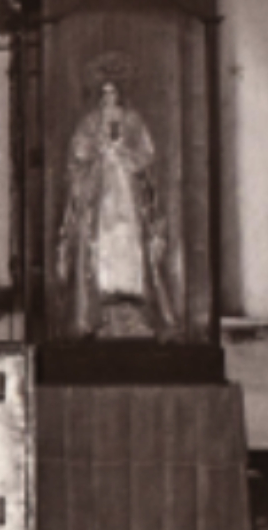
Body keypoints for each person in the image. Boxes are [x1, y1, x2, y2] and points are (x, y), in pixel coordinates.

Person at [53, 63, 180, 339]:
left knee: (130, 241)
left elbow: (146, 154)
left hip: (127, 192)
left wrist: (124, 153)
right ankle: (102, 310)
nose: (109, 98)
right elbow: (78, 152)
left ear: (120, 94)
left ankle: (134, 309)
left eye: (113, 93)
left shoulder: (133, 120)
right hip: (101, 194)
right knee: (102, 242)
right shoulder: (90, 121)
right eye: (105, 93)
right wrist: (97, 151)